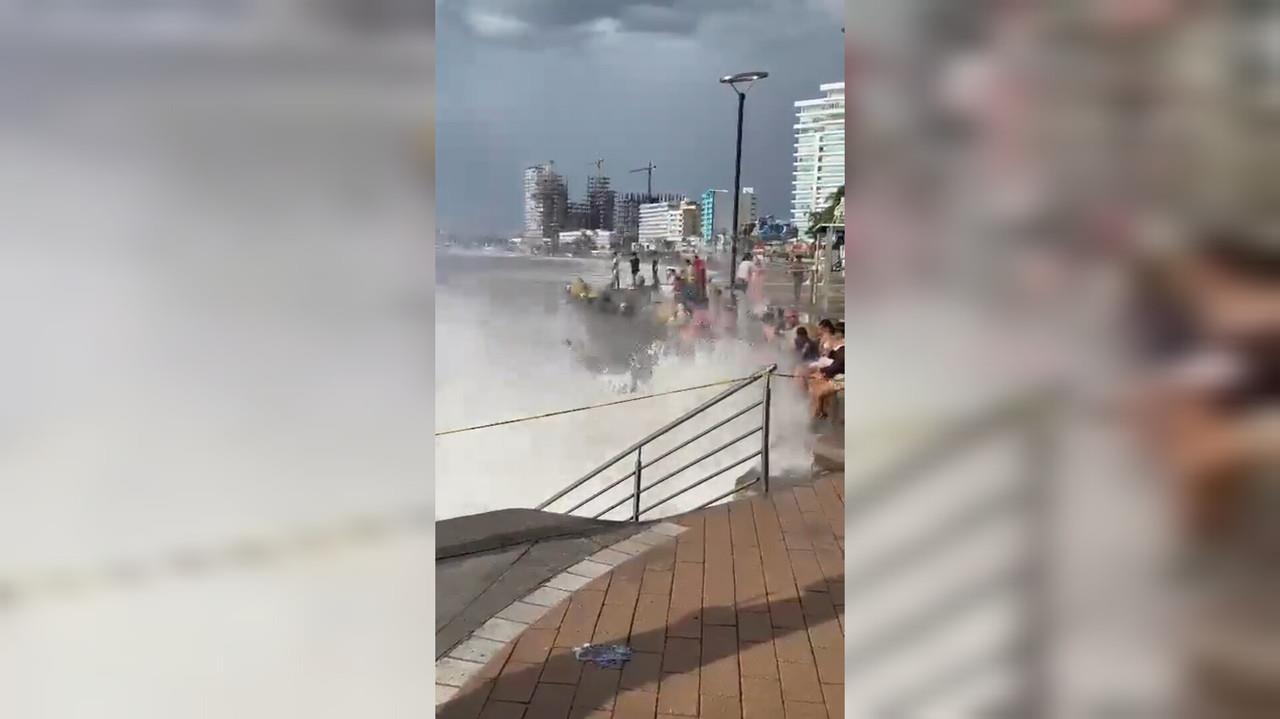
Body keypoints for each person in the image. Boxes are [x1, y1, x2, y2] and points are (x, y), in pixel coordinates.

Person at [808, 323, 845, 419]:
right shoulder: (839, 349)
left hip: (842, 379)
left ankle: (817, 415)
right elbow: (834, 363)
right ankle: (818, 413)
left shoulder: (843, 349)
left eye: (836, 333)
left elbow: (837, 366)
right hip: (839, 376)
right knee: (814, 386)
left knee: (819, 392)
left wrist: (823, 372)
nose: (834, 336)